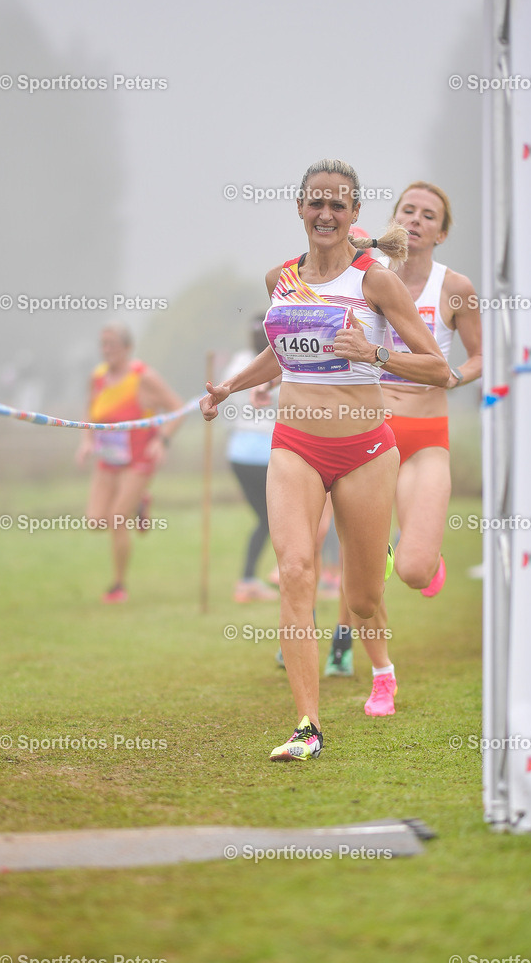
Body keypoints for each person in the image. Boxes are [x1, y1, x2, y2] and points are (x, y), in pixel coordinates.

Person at [200, 159, 456, 762]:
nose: (325, 213)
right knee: (295, 571)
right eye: (316, 202)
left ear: (354, 213)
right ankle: (308, 726)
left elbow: (437, 368)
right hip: (295, 444)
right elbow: (281, 351)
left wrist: (374, 354)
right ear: (299, 207)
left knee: (362, 598)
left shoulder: (376, 282)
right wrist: (231, 387)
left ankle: (382, 667)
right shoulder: (281, 279)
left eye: (338, 204)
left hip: (365, 451)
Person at [325, 180, 482, 675]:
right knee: (358, 553)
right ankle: (345, 644)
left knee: (413, 570)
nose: (415, 220)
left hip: (425, 436)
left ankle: (420, 555)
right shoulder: (367, 275)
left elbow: (480, 356)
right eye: (408, 210)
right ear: (394, 220)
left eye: (428, 215)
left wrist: (455, 375)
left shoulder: (455, 288)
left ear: (441, 233)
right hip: (371, 431)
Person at [76, 323, 184, 603]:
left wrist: (162, 440)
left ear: (127, 347)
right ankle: (140, 502)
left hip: (139, 459)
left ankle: (118, 586)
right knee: (95, 521)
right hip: (108, 458)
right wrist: (86, 441)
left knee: (117, 519)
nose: (106, 350)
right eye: (103, 344)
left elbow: (178, 408)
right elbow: (90, 411)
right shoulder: (97, 377)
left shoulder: (143, 377)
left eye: (112, 344)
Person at [223, 314, 280, 603]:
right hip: (269, 453)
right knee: (277, 518)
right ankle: (272, 575)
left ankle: (249, 580)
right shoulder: (280, 361)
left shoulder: (237, 362)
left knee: (267, 519)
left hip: (238, 453)